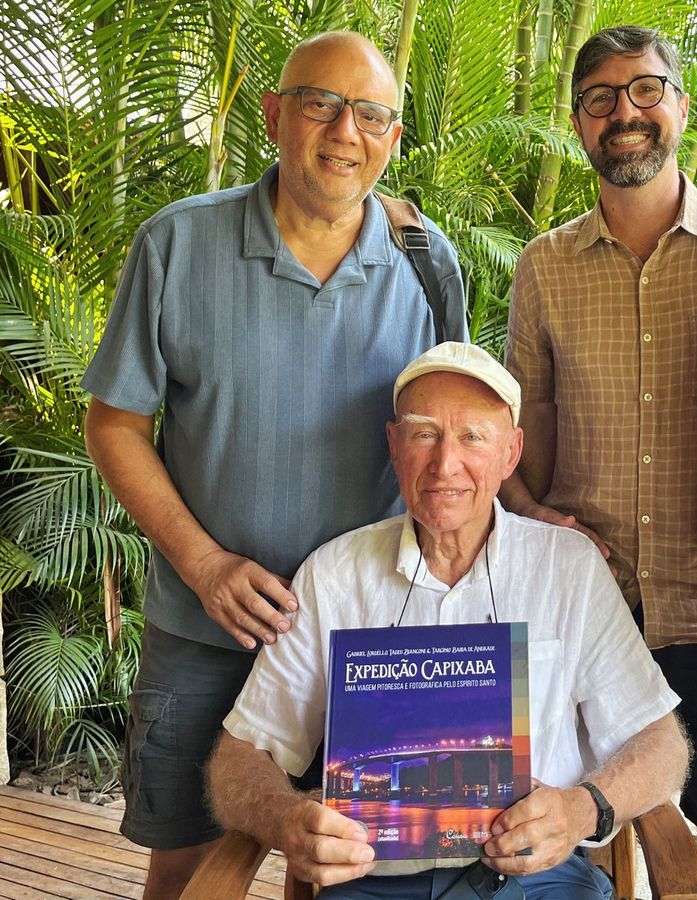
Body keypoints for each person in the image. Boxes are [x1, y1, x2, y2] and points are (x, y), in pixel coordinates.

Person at [81, 31, 466, 899]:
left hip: (369, 639)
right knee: (182, 868)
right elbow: (113, 424)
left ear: (394, 137)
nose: (344, 130)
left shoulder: (426, 268)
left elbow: (450, 447)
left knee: (334, 866)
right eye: (319, 104)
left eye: (370, 113)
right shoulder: (177, 244)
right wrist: (205, 563)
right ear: (273, 115)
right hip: (203, 628)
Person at [207, 342, 689, 899]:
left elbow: (662, 743)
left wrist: (583, 811)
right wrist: (285, 818)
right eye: (423, 434)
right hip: (374, 883)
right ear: (394, 445)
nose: (445, 464)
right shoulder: (334, 574)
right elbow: (240, 755)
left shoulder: (569, 568)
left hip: (536, 879)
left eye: (473, 437)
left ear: (511, 454)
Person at [501, 26, 697, 899]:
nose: (623, 114)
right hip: (587, 604)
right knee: (573, 826)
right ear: (577, 122)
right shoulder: (544, 266)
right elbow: (521, 429)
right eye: (600, 98)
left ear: (680, 105)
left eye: (644, 90)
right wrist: (533, 512)